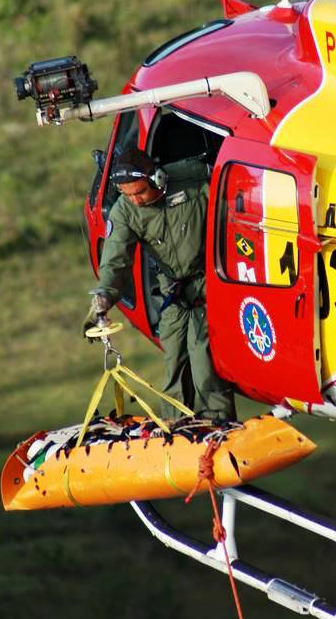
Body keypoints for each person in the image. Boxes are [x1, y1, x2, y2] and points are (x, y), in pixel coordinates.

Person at [83, 147, 236, 421]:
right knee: (174, 360)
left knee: (203, 360)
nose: (136, 200)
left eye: (140, 192)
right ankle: (175, 427)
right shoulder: (125, 211)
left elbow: (232, 211)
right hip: (174, 292)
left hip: (209, 285)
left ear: (157, 179)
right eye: (128, 194)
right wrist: (104, 296)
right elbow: (115, 259)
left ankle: (217, 422)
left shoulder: (196, 181)